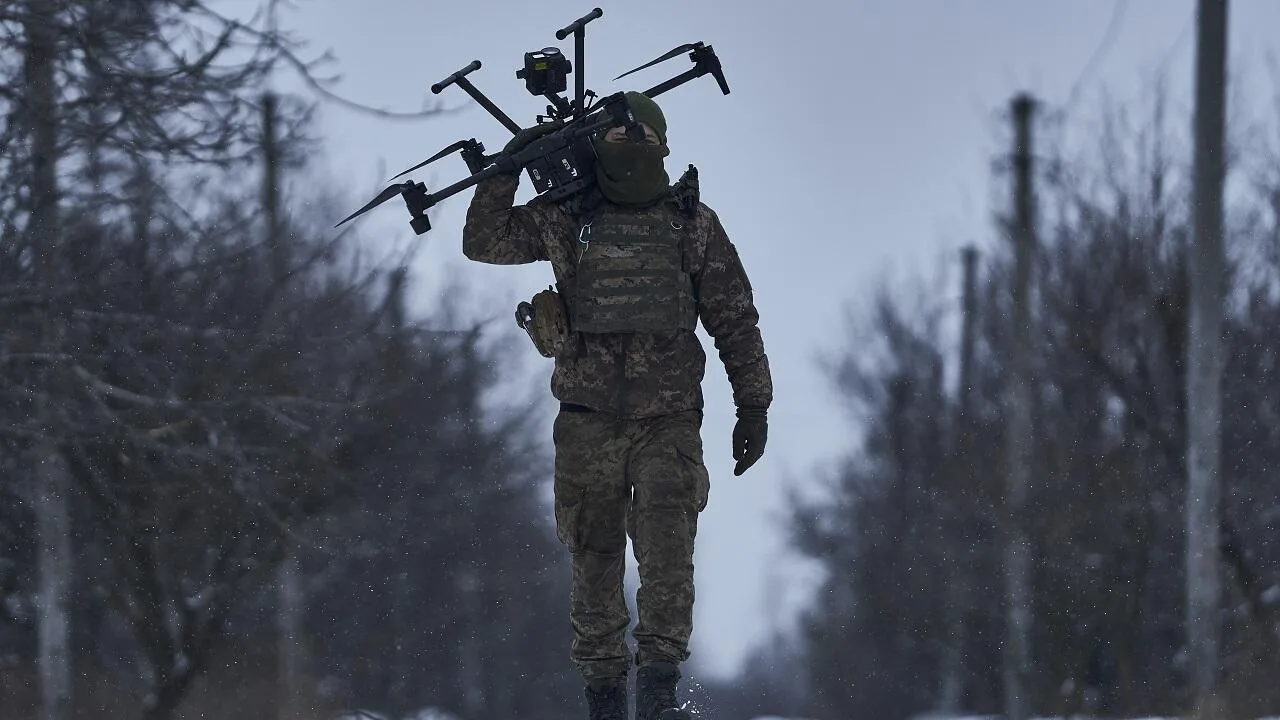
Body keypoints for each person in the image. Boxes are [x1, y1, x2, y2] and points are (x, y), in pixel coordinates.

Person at [461, 91, 772, 720]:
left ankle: (658, 693)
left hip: (668, 420)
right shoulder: (565, 217)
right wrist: (506, 168)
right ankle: (604, 697)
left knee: (667, 553)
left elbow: (735, 318)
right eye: (617, 137)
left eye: (640, 138)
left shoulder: (691, 223)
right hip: (588, 418)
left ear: (662, 146)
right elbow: (484, 241)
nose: (628, 148)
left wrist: (754, 405)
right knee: (594, 557)